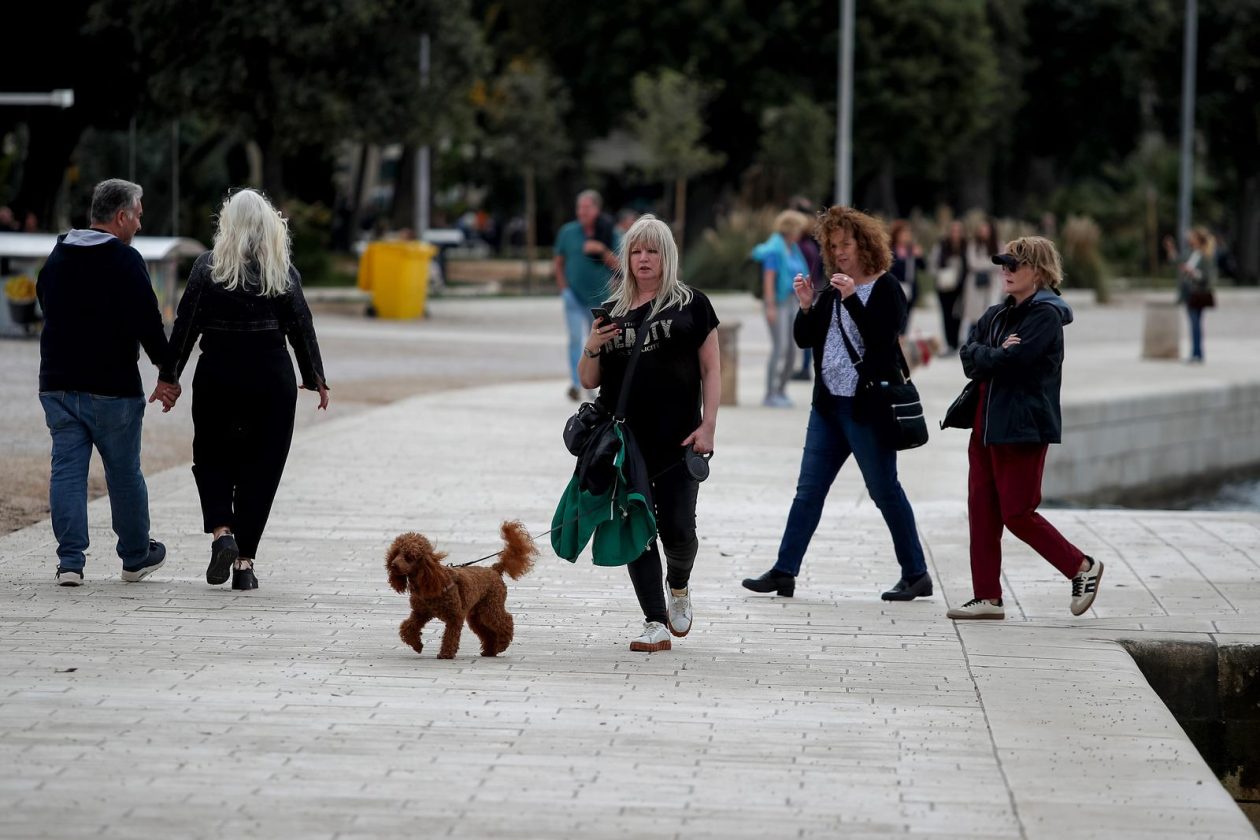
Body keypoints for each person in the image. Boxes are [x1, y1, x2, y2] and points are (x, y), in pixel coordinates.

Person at [742, 206, 931, 602]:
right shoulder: (832, 288)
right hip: (828, 407)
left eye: (845, 244)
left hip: (866, 408)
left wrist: (851, 300)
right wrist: (808, 304)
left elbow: (881, 342)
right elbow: (804, 340)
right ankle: (784, 571)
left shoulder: (887, 288)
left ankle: (915, 573)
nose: (839, 252)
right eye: (832, 246)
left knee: (884, 490)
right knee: (808, 491)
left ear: (864, 244)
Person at [157, 189, 329, 591]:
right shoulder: (282, 271)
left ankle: (223, 534)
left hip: (219, 373)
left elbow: (185, 326)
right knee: (263, 468)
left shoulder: (207, 268)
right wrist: (314, 377)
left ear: (227, 226)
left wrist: (170, 376)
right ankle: (245, 566)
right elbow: (301, 326)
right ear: (270, 227)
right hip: (271, 378)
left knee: (212, 456)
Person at [579, 214, 720, 652]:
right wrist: (593, 345)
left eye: (652, 250)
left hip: (679, 441)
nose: (644, 259)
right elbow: (588, 379)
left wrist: (708, 425)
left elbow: (712, 368)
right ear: (626, 257)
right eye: (636, 251)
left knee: (679, 531)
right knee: (637, 530)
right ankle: (654, 621)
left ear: (667, 256)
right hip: (627, 446)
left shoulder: (691, 303)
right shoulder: (615, 311)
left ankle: (678, 585)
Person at [946, 236, 1102, 620]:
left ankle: (1082, 567)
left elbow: (1017, 363)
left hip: (1022, 427)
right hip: (984, 424)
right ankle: (988, 597)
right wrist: (996, 354)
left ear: (1040, 271)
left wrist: (994, 356)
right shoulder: (997, 315)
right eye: (1004, 265)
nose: (1006, 271)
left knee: (1017, 513)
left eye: (1015, 265)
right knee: (981, 511)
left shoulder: (1046, 316)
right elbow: (969, 357)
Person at [35, 178, 172, 586]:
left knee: (67, 471)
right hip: (113, 387)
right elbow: (149, 323)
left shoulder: (59, 254)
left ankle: (71, 562)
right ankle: (134, 556)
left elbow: (46, 301)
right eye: (139, 217)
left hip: (57, 383)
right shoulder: (126, 261)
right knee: (124, 472)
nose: (140, 226)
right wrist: (168, 375)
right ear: (121, 216)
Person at [554, 190, 620, 401]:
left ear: (597, 209)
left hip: (600, 300)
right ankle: (575, 382)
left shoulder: (610, 232)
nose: (581, 212)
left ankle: (592, 384)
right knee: (575, 338)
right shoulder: (568, 232)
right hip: (573, 296)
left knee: (598, 340)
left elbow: (620, 267)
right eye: (579, 207)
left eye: (586, 207)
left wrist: (601, 249)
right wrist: (564, 289)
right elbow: (559, 262)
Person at [751, 210, 809, 407]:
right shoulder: (774, 250)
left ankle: (782, 390)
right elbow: (769, 279)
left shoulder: (793, 249)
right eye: (798, 228)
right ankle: (770, 393)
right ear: (791, 228)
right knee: (780, 347)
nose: (801, 232)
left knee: (793, 350)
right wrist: (770, 307)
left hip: (793, 301)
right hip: (778, 302)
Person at [1163, 227, 1217, 363]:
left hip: (1199, 293)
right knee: (1194, 323)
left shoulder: (1205, 256)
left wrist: (1193, 272)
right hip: (1189, 293)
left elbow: (1207, 277)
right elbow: (1175, 261)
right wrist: (1170, 248)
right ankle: (1196, 353)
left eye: (1192, 237)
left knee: (1195, 323)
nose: (1189, 239)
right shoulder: (1189, 253)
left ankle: (1197, 353)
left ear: (1198, 239)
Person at [930, 220, 967, 353]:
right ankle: (949, 342)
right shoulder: (941, 246)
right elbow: (932, 264)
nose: (955, 234)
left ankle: (956, 341)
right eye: (953, 231)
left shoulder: (966, 246)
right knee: (946, 314)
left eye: (958, 231)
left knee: (958, 314)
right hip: (944, 286)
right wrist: (942, 274)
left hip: (961, 287)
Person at [960, 218, 999, 336]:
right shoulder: (973, 245)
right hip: (975, 285)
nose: (983, 232)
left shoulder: (998, 245)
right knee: (974, 318)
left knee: (990, 316)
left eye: (986, 230)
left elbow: (999, 263)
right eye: (981, 230)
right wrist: (990, 262)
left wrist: (984, 263)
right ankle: (970, 344)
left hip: (992, 284)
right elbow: (973, 263)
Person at [888, 220, 924, 336]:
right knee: (895, 317)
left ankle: (902, 339)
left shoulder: (911, 250)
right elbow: (890, 268)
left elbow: (923, 267)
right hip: (896, 288)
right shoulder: (891, 250)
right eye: (903, 233)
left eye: (908, 233)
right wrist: (901, 259)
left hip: (910, 288)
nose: (906, 236)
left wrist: (919, 256)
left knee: (906, 318)